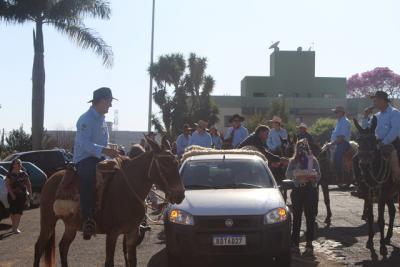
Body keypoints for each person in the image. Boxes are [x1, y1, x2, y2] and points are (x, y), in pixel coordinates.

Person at [73, 87, 121, 240]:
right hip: (84, 159)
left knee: (121, 170)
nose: (110, 106)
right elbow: (83, 144)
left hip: (100, 157)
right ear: (100, 101)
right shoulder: (85, 120)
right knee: (89, 176)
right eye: (109, 102)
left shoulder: (101, 119)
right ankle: (88, 218)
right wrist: (105, 151)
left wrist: (112, 148)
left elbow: (103, 142)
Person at [286, 139, 321, 256]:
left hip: (310, 190)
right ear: (296, 148)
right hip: (297, 190)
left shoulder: (313, 159)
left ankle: (309, 243)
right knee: (296, 217)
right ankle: (295, 243)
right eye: (300, 147)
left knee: (310, 217)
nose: (302, 149)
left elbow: (319, 175)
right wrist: (296, 172)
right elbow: (287, 174)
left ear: (308, 148)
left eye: (304, 147)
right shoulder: (293, 161)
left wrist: (313, 176)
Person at [362, 91, 400, 183]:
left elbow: (395, 130)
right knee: (360, 157)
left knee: (394, 158)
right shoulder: (376, 116)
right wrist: (365, 116)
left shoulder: (394, 113)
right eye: (374, 101)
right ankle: (362, 182)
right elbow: (366, 129)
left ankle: (397, 180)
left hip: (393, 143)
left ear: (384, 101)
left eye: (376, 100)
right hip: (377, 144)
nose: (374, 103)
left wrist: (384, 142)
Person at [5, 159, 32, 234]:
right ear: (13, 165)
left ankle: (15, 228)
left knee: (19, 212)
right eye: (17, 163)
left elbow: (28, 184)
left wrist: (30, 194)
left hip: (22, 195)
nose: (19, 164)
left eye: (20, 163)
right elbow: (7, 185)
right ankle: (14, 226)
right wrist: (12, 194)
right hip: (12, 195)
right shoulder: (9, 174)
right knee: (12, 212)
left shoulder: (24, 174)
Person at [327, 106, 352, 183]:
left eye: (337, 112)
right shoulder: (339, 121)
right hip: (337, 143)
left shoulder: (345, 122)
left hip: (343, 143)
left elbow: (341, 138)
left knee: (337, 153)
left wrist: (331, 144)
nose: (336, 114)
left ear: (342, 113)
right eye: (335, 112)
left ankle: (339, 175)